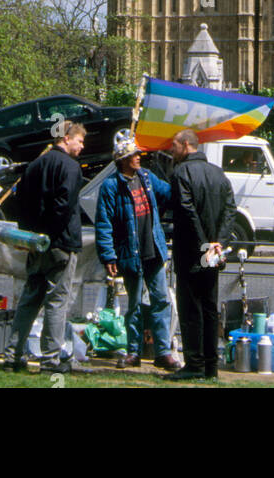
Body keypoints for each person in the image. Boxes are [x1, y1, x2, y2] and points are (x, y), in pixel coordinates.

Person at [3, 119, 91, 375]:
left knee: (30, 299)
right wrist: (51, 236)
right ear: (66, 138)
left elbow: (19, 202)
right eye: (80, 140)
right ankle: (50, 360)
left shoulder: (35, 164)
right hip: (60, 243)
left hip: (36, 243)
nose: (82, 146)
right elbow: (63, 206)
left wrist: (32, 237)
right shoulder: (71, 167)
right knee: (56, 301)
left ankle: (12, 355)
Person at [94, 131, 181, 371]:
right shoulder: (110, 186)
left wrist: (184, 175)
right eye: (134, 154)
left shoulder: (148, 177)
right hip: (130, 255)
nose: (139, 157)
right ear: (122, 159)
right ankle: (133, 351)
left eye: (138, 153)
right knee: (133, 305)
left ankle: (163, 352)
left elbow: (171, 194)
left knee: (161, 300)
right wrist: (108, 255)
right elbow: (104, 223)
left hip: (154, 250)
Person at [167, 127, 236, 382]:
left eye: (174, 145)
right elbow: (230, 209)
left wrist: (204, 244)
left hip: (191, 251)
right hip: (213, 251)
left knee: (190, 309)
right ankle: (211, 366)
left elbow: (186, 211)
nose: (170, 150)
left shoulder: (181, 172)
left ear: (186, 145)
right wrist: (219, 243)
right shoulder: (218, 173)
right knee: (209, 308)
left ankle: (194, 363)